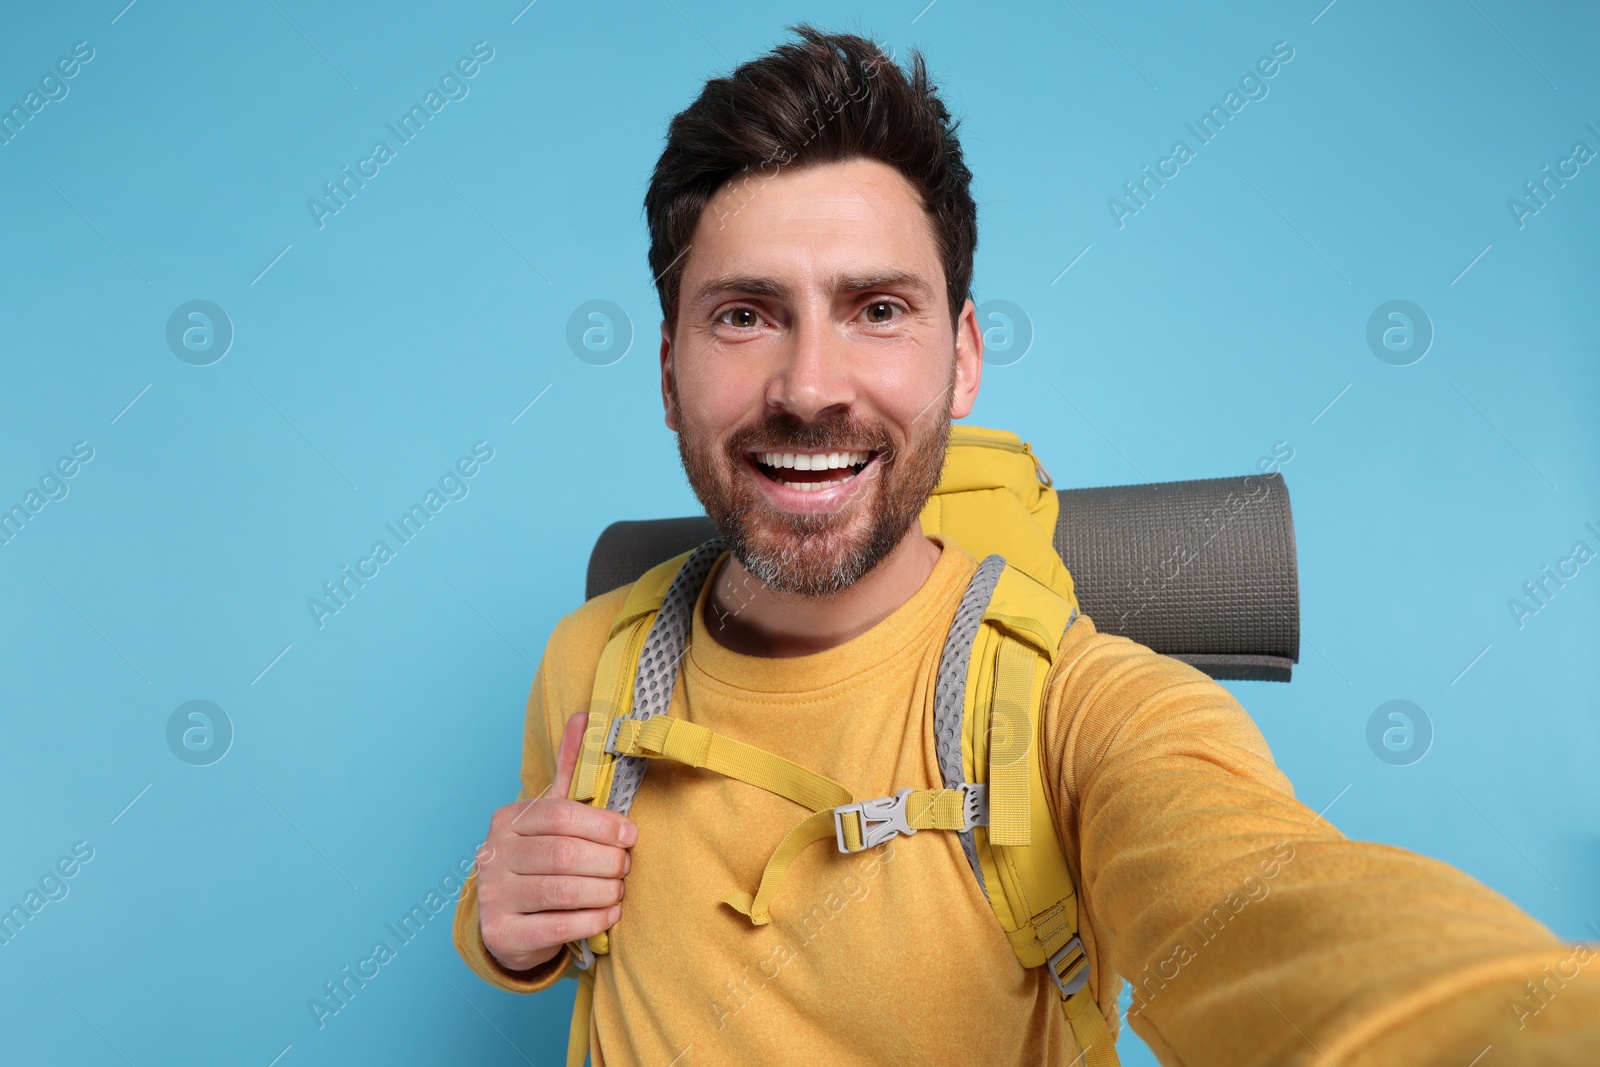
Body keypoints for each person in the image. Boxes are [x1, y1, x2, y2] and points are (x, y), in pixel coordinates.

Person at [453, 25, 1600, 1065]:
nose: (808, 385)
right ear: (667, 371)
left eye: (877, 309)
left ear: (961, 358)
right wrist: (503, 930)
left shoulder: (1078, 708)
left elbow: (1273, 902)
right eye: (744, 313)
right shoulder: (588, 661)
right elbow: (550, 920)